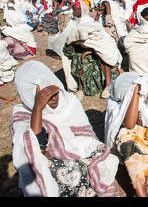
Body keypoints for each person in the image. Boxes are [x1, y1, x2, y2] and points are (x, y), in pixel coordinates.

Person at [9, 61, 119, 197]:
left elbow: (86, 137)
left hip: (76, 153)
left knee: (103, 161)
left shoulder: (68, 102)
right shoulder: (23, 116)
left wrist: (70, 151)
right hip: (55, 164)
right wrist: (38, 108)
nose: (54, 99)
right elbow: (36, 147)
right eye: (47, 98)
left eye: (56, 93)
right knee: (46, 169)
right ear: (32, 97)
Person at [104, 72, 148, 197]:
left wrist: (138, 94)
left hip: (147, 138)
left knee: (142, 141)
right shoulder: (114, 102)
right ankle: (141, 193)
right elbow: (129, 123)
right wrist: (135, 90)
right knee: (129, 142)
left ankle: (141, 190)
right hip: (128, 142)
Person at [62, 0, 122, 100]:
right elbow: (70, 38)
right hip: (79, 49)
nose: (73, 12)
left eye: (75, 10)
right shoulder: (72, 22)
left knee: (103, 55)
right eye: (73, 10)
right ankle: (80, 89)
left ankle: (108, 85)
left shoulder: (88, 21)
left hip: (94, 48)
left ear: (81, 10)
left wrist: (91, 50)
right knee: (79, 58)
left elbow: (97, 34)